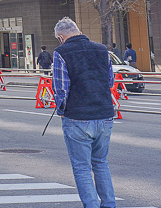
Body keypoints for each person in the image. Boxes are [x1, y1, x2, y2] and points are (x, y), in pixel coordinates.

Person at [52, 17, 116, 208]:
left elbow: (61, 88)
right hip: (104, 114)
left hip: (77, 117)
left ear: (61, 37)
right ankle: (109, 204)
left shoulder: (61, 52)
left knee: (81, 168)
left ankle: (92, 206)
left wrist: (62, 110)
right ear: (78, 30)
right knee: (101, 163)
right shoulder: (102, 50)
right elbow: (110, 81)